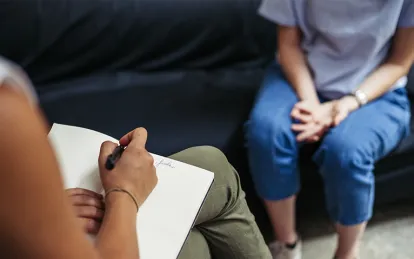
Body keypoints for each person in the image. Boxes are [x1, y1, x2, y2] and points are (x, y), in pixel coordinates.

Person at [0, 56, 271, 259]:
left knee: (211, 166)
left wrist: (35, 216)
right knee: (194, 240)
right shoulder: (7, 112)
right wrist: (124, 192)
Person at [245, 1, 414, 259]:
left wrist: (349, 102)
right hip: (302, 76)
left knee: (346, 152)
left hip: (376, 90)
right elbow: (288, 44)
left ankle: (346, 253)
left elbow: (400, 62)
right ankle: (286, 244)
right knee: (266, 134)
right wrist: (311, 103)